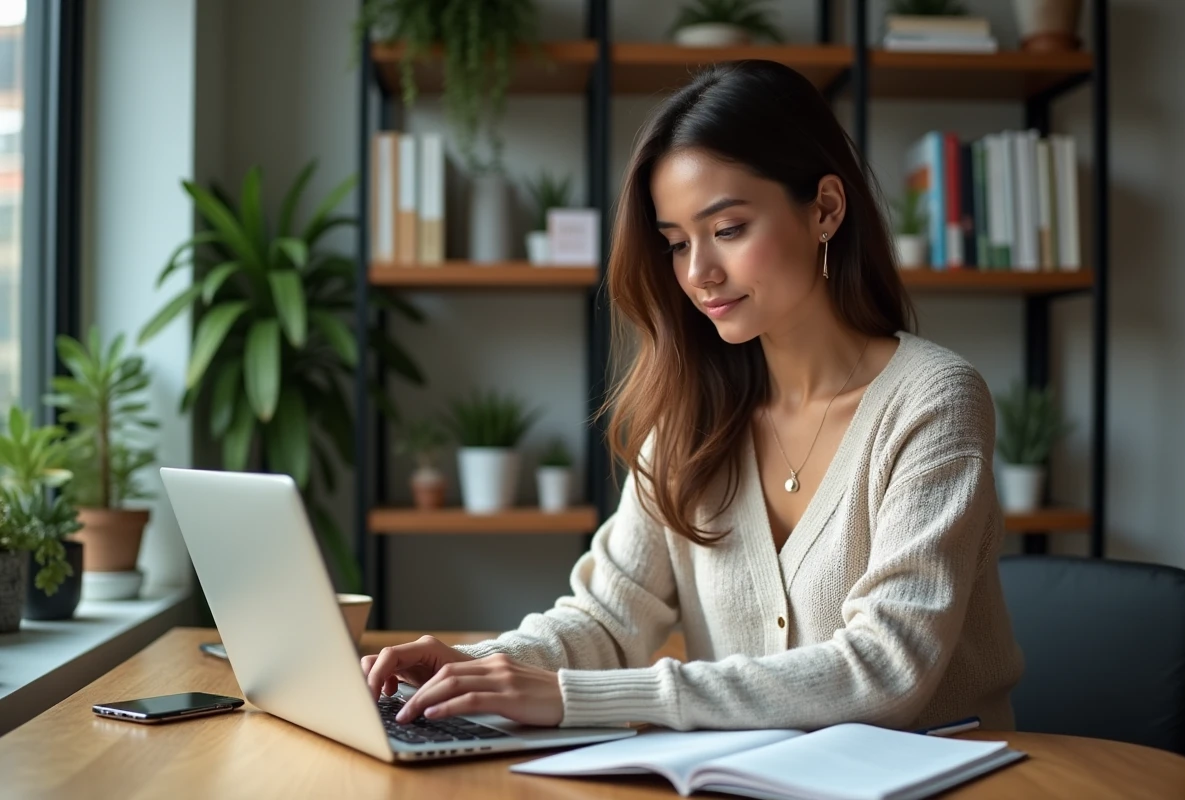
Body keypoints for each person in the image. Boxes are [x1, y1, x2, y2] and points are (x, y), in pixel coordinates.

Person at [362, 59, 1024, 733]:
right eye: (677, 244)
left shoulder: (934, 401)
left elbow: (886, 669)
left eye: (728, 229)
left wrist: (574, 696)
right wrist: (472, 670)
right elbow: (608, 620)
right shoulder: (693, 415)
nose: (700, 273)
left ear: (825, 208)